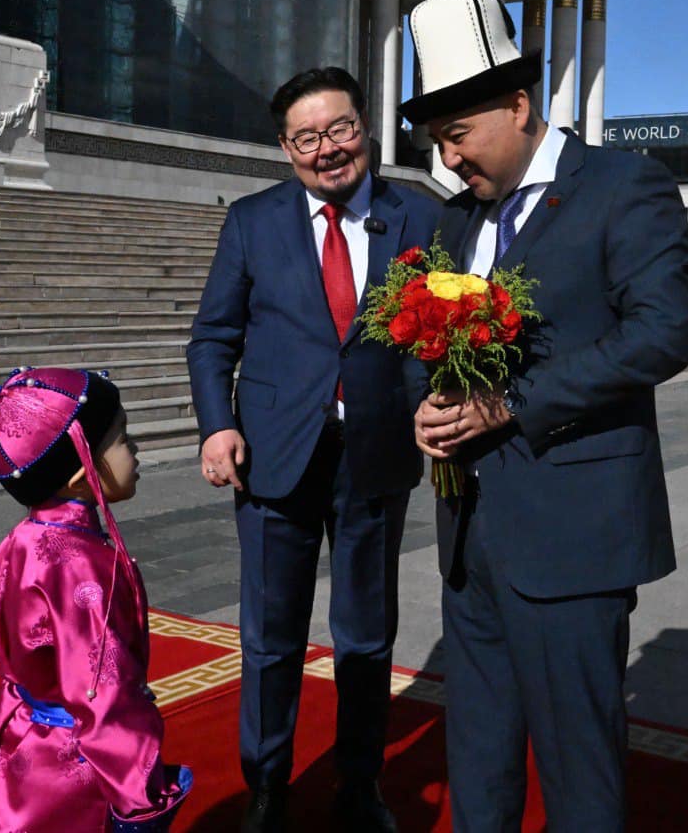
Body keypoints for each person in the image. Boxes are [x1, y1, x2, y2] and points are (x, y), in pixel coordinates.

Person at [401, 0, 688, 832]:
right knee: (479, 753)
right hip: (470, 537)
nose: (449, 159)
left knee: (578, 769)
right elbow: (442, 347)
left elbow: (660, 335)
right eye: (437, 142)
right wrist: (433, 405)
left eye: (459, 135)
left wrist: (508, 405)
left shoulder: (623, 185)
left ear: (518, 104)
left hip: (574, 535)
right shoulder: (457, 221)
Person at [186, 67, 439, 833]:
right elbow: (212, 338)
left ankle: (359, 785)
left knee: (366, 637)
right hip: (273, 457)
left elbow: (440, 331)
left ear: (365, 127)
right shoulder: (251, 222)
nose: (327, 149)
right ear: (285, 147)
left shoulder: (419, 217)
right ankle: (267, 787)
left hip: (376, 454)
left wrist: (437, 397)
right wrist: (217, 425)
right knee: (270, 638)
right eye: (307, 137)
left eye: (340, 129)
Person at [0, 367, 192, 832]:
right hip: (75, 763)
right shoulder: (81, 565)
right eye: (122, 439)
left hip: (25, 739)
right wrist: (139, 798)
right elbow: (103, 692)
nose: (135, 450)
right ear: (78, 475)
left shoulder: (26, 537)